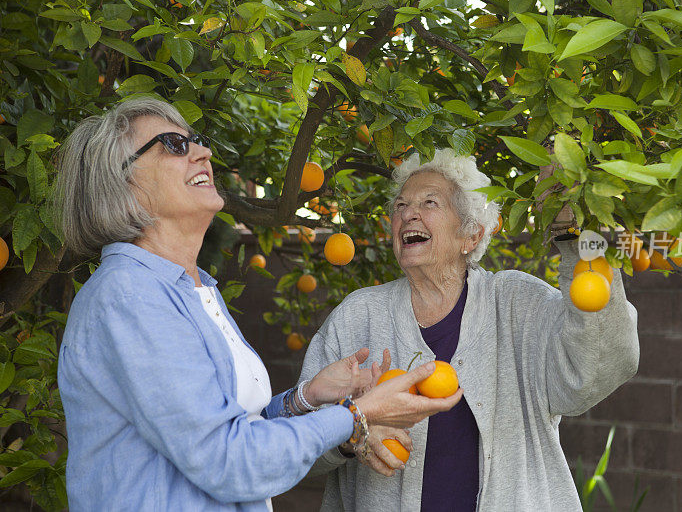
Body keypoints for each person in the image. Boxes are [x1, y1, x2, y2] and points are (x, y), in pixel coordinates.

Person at [53, 97, 461, 511]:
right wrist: (358, 414)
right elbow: (229, 462)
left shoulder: (193, 289)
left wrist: (305, 398)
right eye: (174, 145)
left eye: (196, 140)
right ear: (123, 185)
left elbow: (233, 430)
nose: (203, 152)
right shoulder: (130, 296)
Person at [299, 148, 639, 511]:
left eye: (430, 202)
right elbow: (297, 450)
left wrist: (577, 236)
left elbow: (596, 368)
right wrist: (351, 435)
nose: (408, 214)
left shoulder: (514, 303)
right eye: (400, 206)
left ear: (471, 236)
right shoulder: (357, 317)